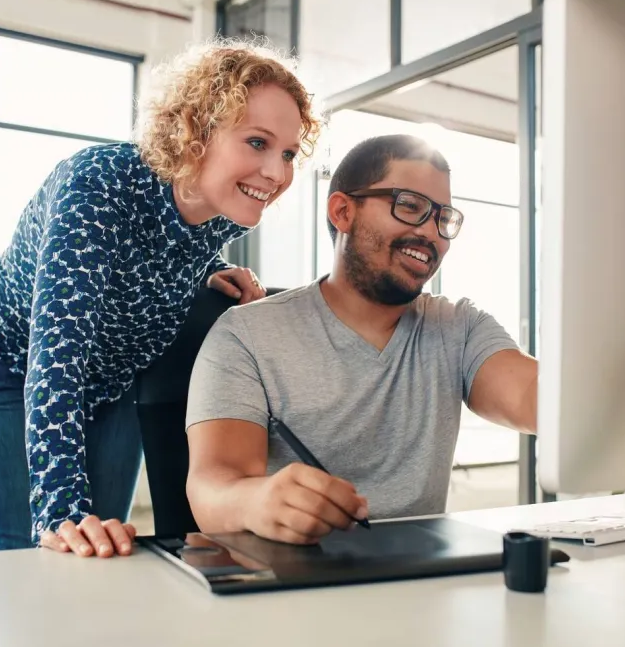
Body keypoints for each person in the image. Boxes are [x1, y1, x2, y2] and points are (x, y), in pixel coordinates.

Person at [0, 39, 322, 556]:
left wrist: (208, 271)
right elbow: (57, 359)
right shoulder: (96, 188)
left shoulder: (217, 209)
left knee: (105, 552)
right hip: (13, 370)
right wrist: (61, 513)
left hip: (112, 383)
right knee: (38, 555)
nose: (278, 173)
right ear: (196, 129)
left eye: (287, 153)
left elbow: (152, 250)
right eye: (257, 143)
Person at [184, 133, 537, 545]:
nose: (431, 233)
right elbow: (213, 487)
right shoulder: (245, 335)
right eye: (410, 206)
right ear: (342, 211)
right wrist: (256, 500)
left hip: (419, 586)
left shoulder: (459, 326)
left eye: (443, 218)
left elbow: (535, 397)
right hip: (293, 587)